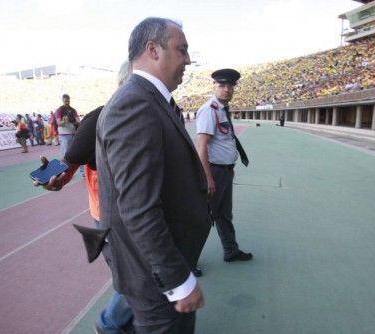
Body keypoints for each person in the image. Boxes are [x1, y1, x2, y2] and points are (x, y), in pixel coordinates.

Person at [96, 17, 211, 333]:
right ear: (153, 50)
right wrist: (177, 281)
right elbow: (138, 208)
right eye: (182, 49)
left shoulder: (149, 100)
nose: (188, 59)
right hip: (155, 277)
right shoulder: (135, 104)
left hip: (159, 266)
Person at [37, 62, 135, 334]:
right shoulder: (98, 119)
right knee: (139, 276)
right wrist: (51, 176)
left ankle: (122, 325)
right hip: (111, 216)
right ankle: (110, 325)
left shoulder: (154, 114)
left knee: (135, 276)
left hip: (140, 212)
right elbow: (68, 163)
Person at [195, 68, 253, 263]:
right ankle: (187, 260)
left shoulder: (221, 109)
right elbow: (201, 146)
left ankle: (230, 250)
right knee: (202, 217)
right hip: (214, 173)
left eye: (230, 86)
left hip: (225, 172)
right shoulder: (209, 110)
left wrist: (229, 169)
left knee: (224, 215)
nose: (227, 89)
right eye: (222, 85)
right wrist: (208, 177)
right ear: (214, 87)